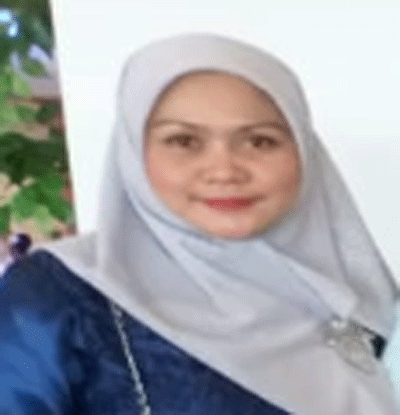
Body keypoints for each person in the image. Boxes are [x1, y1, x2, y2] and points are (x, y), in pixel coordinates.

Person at [0, 33, 399, 415]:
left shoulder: (354, 297)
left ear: (305, 152)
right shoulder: (60, 294)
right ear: (133, 152)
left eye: (260, 141)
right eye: (184, 141)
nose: (225, 170)